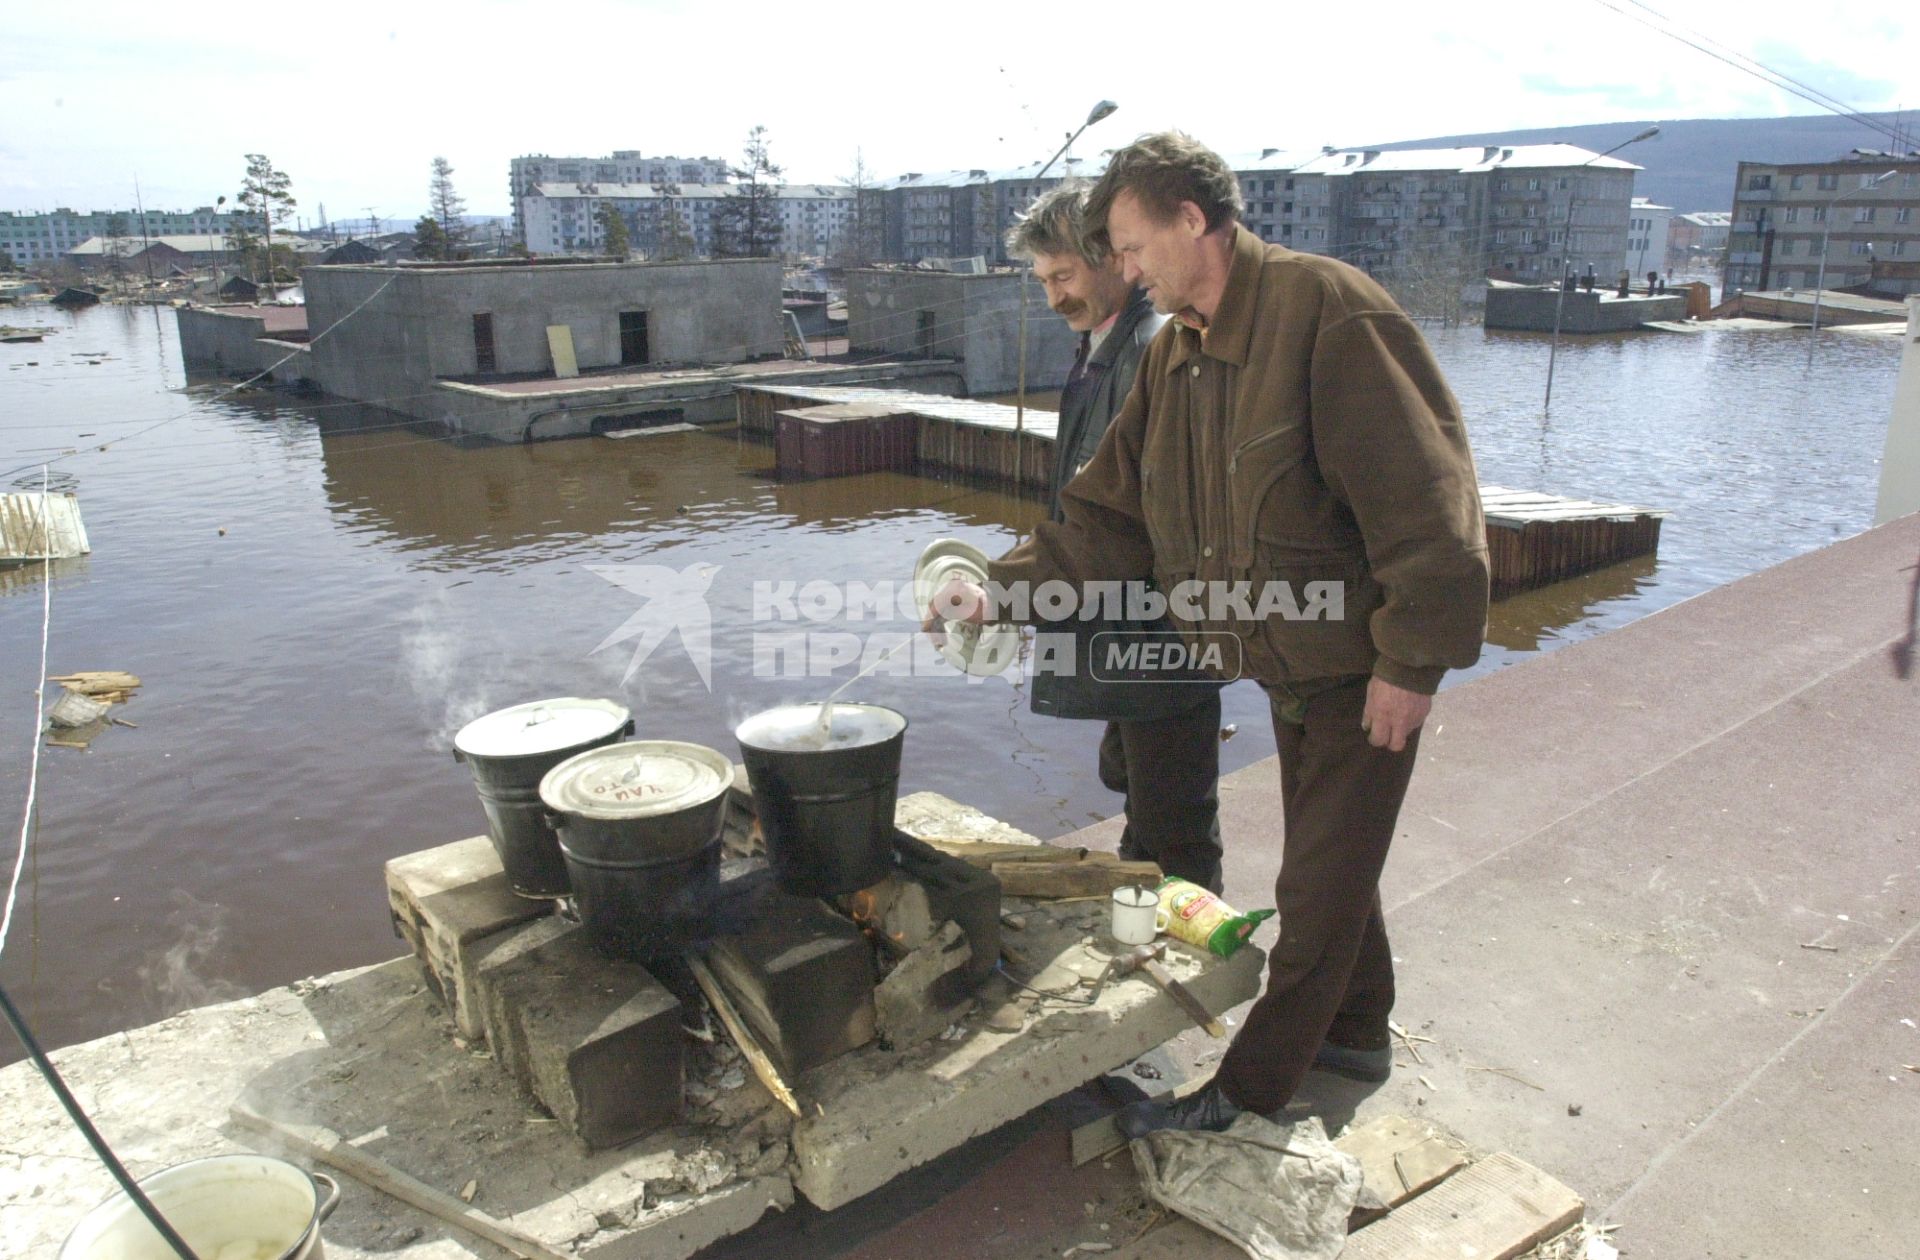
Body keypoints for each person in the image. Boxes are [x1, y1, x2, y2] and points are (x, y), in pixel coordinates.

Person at [928, 132, 1487, 1134]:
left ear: (1195, 218)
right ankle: (1358, 1032)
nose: (1125, 272)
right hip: (1287, 666)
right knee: (1337, 868)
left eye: (1134, 247)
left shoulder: (1328, 312)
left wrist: (1412, 663)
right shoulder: (1178, 354)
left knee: (1314, 892)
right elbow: (1104, 519)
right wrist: (995, 592)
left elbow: (1430, 502)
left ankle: (1248, 1095)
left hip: (1363, 669)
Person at [1008, 185, 1225, 893]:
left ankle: (1195, 954)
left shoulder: (1150, 350)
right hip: (1120, 612)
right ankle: (1156, 916)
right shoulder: (1104, 346)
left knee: (1173, 820)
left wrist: (1015, 591)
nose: (1052, 298)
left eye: (1063, 276)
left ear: (1110, 259)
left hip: (1163, 625)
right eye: (1043, 282)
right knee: (1139, 783)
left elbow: (1129, 518)